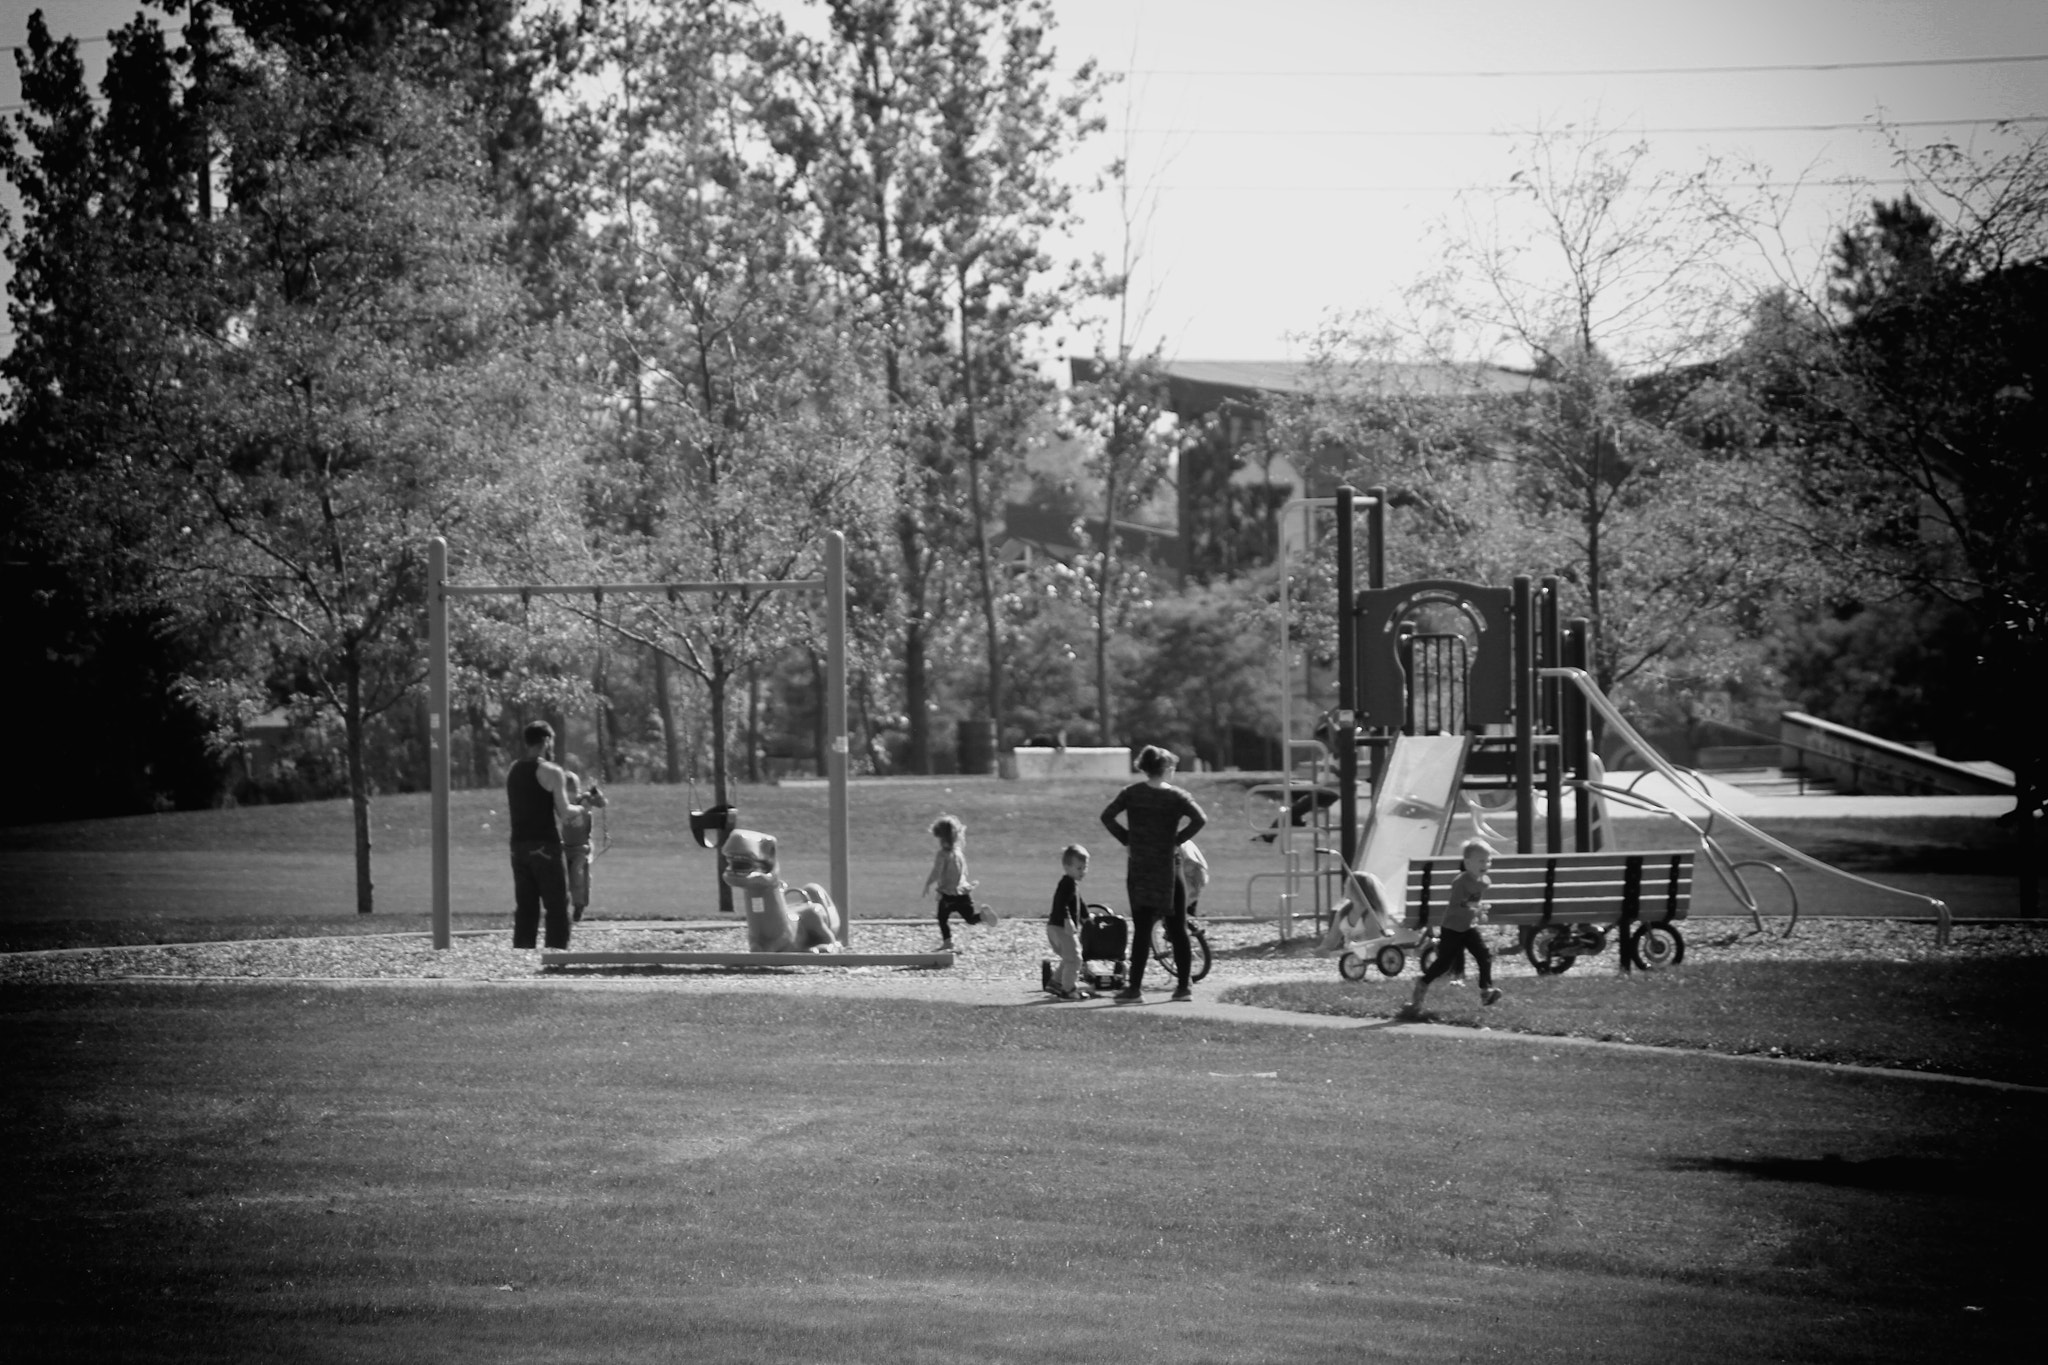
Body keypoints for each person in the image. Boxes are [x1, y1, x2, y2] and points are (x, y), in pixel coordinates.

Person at [1099, 745, 1207, 1002]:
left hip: (1141, 866)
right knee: (1177, 926)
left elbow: (1108, 816)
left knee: (1143, 927)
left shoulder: (1131, 794)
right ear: (1167, 768)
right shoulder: (1178, 797)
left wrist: (1128, 839)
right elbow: (1199, 818)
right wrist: (1177, 840)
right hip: (1170, 866)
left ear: (1144, 767)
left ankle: (1134, 988)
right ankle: (1183, 987)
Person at [1403, 838, 1504, 1016]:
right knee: (1443, 964)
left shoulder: (1484, 880)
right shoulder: (1460, 881)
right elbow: (1458, 904)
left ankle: (1486, 991)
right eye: (1481, 861)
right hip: (1452, 928)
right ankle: (1422, 984)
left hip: (1468, 927)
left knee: (1484, 955)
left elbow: (1473, 903)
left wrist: (1479, 912)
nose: (1486, 864)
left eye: (1488, 861)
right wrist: (1476, 908)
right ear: (1467, 863)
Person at [506, 721, 580, 950]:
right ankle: (556, 953)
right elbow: (565, 813)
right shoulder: (551, 771)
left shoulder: (513, 769)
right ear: (546, 741)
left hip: (518, 846)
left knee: (526, 905)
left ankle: (522, 952)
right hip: (545, 846)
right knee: (556, 904)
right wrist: (585, 806)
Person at [922, 813, 987, 950]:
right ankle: (982, 916)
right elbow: (964, 871)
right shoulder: (958, 852)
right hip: (963, 893)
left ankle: (948, 941)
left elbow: (937, 872)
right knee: (970, 918)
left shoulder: (943, 855)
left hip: (948, 895)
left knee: (942, 918)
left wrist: (928, 883)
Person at [1046, 843, 1090, 999]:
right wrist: (1067, 920)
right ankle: (1068, 989)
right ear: (1066, 866)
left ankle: (1056, 983)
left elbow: (1080, 902)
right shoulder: (1066, 884)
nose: (1083, 871)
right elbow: (1061, 903)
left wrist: (1086, 916)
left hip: (1057, 926)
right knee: (1075, 958)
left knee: (1069, 956)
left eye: (1084, 868)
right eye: (1079, 868)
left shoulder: (1072, 884)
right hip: (1061, 926)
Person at [561, 771, 606, 923]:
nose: (569, 796)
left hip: (582, 847)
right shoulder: (561, 803)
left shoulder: (584, 800)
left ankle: (579, 906)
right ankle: (563, 905)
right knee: (564, 877)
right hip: (565, 846)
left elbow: (601, 803)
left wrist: (595, 792)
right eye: (565, 792)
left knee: (578, 875)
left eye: (571, 791)